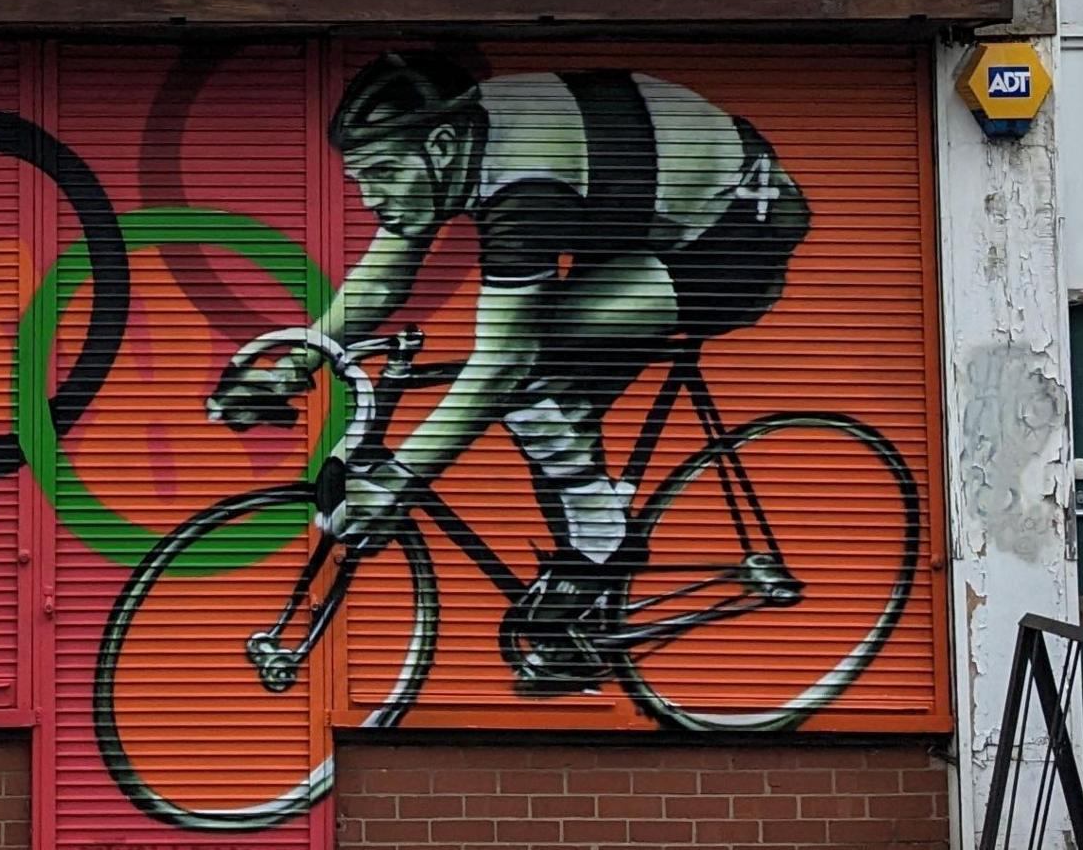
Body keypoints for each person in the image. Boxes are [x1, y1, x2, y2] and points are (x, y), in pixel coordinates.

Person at [207, 50, 810, 694]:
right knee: (528, 365)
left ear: (441, 144)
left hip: (733, 240)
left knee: (526, 362)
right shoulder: (450, 145)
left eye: (382, 173)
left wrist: (400, 483)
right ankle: (590, 545)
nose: (370, 196)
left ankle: (603, 546)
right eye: (359, 178)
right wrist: (296, 364)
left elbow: (499, 362)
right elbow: (384, 278)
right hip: (629, 213)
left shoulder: (526, 185)